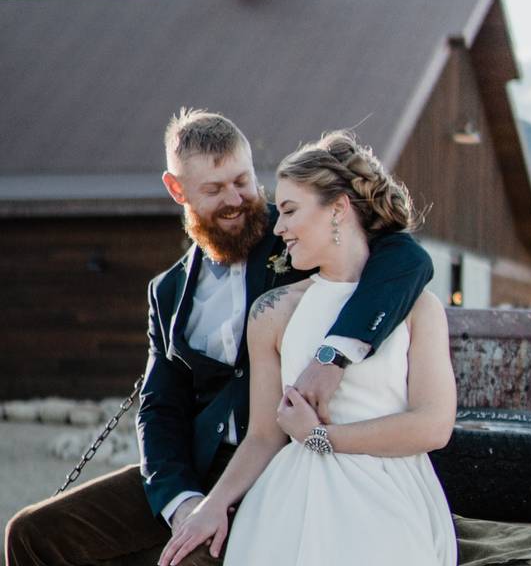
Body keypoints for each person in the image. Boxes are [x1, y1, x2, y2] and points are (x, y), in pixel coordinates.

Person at [4, 110, 433, 566]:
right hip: (201, 467)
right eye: (213, 189)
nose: (235, 200)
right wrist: (182, 501)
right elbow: (159, 407)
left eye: (242, 181)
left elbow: (407, 258)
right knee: (31, 533)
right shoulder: (167, 291)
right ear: (177, 189)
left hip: (281, 463)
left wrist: (333, 356)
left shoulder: (297, 236)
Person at [157, 131, 457, 566]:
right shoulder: (272, 313)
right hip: (291, 489)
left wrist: (320, 437)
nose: (277, 227)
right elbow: (263, 435)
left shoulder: (417, 306)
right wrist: (211, 505)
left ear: (338, 209)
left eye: (291, 211)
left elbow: (433, 426)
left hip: (390, 488)